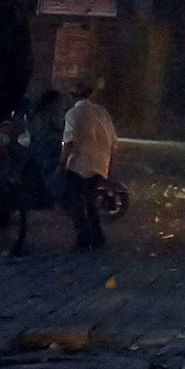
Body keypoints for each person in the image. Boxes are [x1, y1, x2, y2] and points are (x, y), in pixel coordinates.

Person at [60, 82, 117, 251]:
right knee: (90, 201)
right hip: (100, 163)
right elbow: (113, 142)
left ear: (73, 96)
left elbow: (69, 141)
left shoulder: (73, 113)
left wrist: (62, 162)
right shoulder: (102, 112)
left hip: (79, 164)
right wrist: (109, 164)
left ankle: (83, 238)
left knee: (75, 202)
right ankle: (97, 236)